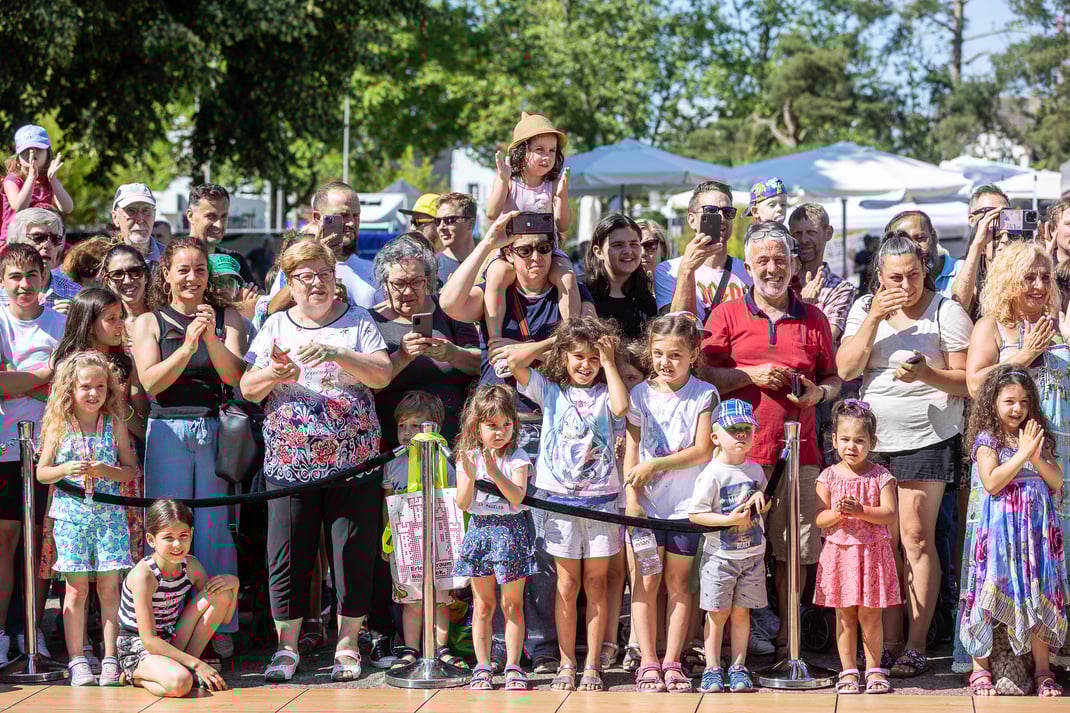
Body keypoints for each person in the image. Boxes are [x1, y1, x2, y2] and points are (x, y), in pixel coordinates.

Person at [440, 210, 596, 675]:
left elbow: (582, 337)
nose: (534, 258)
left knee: (542, 543)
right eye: (523, 249)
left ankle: (543, 647)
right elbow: (449, 303)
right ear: (510, 253)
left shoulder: (571, 290)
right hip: (495, 424)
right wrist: (487, 243)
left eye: (543, 249)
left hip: (545, 426)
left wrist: (529, 349)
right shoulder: (498, 288)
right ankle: (493, 655)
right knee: (492, 537)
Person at [240, 238, 391, 683]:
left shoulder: (359, 322)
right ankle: (286, 646)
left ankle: (347, 643)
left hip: (353, 462)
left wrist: (340, 353)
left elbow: (381, 375)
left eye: (324, 274)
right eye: (306, 277)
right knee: (287, 553)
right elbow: (249, 388)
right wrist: (275, 373)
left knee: (351, 552)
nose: (317, 284)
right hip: (290, 464)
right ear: (291, 282)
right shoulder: (275, 325)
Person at [701, 221, 841, 658]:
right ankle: (731, 646)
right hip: (738, 458)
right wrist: (750, 375)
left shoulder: (813, 317)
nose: (772, 268)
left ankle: (788, 642)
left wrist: (819, 393)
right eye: (762, 260)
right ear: (749, 266)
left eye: (780, 259)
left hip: (800, 453)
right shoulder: (726, 314)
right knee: (733, 549)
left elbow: (834, 378)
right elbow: (703, 374)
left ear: (794, 264)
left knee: (794, 552)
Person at [836, 233, 972, 678]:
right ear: (879, 276)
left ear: (925, 269)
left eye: (914, 274)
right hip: (872, 444)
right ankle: (886, 645)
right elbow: (846, 369)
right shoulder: (864, 308)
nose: (906, 285)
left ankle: (916, 644)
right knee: (880, 542)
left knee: (915, 538)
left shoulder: (945, 310)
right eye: (895, 277)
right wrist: (874, 318)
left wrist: (927, 373)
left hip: (926, 437)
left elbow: (967, 381)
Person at [958, 241, 1070, 676]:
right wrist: (1022, 357)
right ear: (1008, 279)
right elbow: (973, 384)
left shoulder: (1059, 324)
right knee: (1004, 555)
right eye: (1029, 277)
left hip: (1055, 451)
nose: (1040, 285)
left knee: (1050, 553)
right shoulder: (993, 326)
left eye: (1044, 277)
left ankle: (1051, 655)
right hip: (1006, 457)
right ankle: (999, 657)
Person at [132, 237, 246, 659]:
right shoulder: (148, 321)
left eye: (200, 270)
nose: (192, 278)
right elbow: (151, 382)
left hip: (214, 428)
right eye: (183, 269)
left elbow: (235, 377)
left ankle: (219, 620)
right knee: (168, 528)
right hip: (166, 428)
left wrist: (211, 337)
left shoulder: (227, 316)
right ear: (167, 274)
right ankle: (162, 623)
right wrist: (186, 346)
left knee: (215, 528)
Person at [508, 316, 627, 692]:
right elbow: (515, 363)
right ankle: (565, 661)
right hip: (559, 503)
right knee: (566, 584)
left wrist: (609, 362)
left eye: (592, 357)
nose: (585, 364)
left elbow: (622, 409)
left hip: (601, 501)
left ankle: (592, 664)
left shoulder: (609, 391)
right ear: (565, 357)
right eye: (578, 356)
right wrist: (554, 340)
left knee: (596, 582)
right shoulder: (551, 391)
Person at [960, 366, 1068, 698]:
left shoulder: (1037, 436)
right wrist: (1022, 454)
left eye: (1023, 401)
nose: (1016, 408)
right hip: (1000, 536)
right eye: (1008, 401)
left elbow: (1057, 481)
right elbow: (992, 482)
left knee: (1037, 598)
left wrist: (1035, 456)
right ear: (992, 402)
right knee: (988, 596)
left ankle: (1042, 670)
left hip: (1035, 534)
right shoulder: (987, 440)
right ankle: (980, 669)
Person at [623, 312, 718, 693]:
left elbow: (701, 450)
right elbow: (631, 449)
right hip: (646, 509)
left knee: (680, 584)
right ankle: (647, 660)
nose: (666, 362)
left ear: (694, 354)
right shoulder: (639, 395)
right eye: (659, 353)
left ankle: (673, 660)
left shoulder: (704, 394)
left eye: (676, 355)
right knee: (645, 582)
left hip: (685, 508)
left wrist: (656, 463)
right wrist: (631, 497)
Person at [35, 351, 138, 686]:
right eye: (85, 387)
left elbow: (129, 471)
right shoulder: (60, 425)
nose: (93, 393)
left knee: (110, 588)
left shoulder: (115, 423)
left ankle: (111, 657)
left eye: (100, 387)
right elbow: (42, 472)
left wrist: (107, 470)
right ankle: (77, 658)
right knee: (75, 590)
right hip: (70, 517)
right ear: (71, 389)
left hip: (110, 516)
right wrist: (66, 469)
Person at [0, 243, 66, 665]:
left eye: (31, 276)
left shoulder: (61, 323)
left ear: (44, 278)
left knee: (43, 543)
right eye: (14, 277)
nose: (24, 285)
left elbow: (71, 384)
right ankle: (2, 632)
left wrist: (15, 379)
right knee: (6, 541)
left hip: (52, 446)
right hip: (5, 445)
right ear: (3, 281)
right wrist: (43, 375)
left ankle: (32, 629)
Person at [453, 384, 538, 691]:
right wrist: (474, 471)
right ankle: (483, 665)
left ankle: (514, 665)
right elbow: (463, 503)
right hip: (479, 530)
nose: (499, 432)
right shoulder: (469, 455)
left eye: (506, 425)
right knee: (483, 604)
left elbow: (517, 498)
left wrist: (494, 471)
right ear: (477, 426)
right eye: (492, 426)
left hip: (511, 532)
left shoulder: (517, 456)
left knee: (512, 605)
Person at [814, 399, 900, 695]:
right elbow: (820, 519)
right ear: (834, 439)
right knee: (844, 615)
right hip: (840, 555)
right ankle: (848, 671)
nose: (852, 446)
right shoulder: (827, 476)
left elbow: (889, 514)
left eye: (860, 440)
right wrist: (838, 512)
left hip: (871, 554)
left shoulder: (881, 476)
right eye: (846, 439)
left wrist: (861, 509)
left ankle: (874, 669)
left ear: (872, 442)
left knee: (870, 615)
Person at [687, 399, 770, 694]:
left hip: (752, 556)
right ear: (715, 437)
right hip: (720, 557)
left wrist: (762, 501)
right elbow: (696, 514)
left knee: (741, 613)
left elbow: (761, 502)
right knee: (716, 613)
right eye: (733, 430)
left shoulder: (756, 470)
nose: (740, 435)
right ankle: (712, 668)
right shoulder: (711, 473)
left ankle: (738, 666)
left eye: (746, 429)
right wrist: (727, 519)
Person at [116, 499, 237, 697]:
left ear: (192, 534)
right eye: (168, 538)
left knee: (221, 592)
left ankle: (185, 669)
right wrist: (197, 664)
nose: (177, 544)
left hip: (170, 637)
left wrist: (234, 584)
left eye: (183, 536)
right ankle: (134, 675)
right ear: (151, 540)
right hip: (139, 647)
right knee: (181, 683)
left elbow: (223, 617)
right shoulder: (144, 576)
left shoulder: (191, 566)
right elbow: (149, 639)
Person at [370, 233, 480, 449]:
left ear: (428, 281)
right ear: (385, 284)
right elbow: (366, 386)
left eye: (416, 282)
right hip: (393, 452)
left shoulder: (449, 310)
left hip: (453, 445)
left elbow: (481, 364)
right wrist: (401, 358)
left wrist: (452, 354)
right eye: (399, 283)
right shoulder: (370, 321)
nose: (408, 291)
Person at [484, 113, 578, 346]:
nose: (547, 157)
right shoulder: (510, 180)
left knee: (566, 276)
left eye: (552, 151)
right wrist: (503, 180)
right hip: (509, 252)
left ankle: (571, 337)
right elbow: (491, 213)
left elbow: (563, 224)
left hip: (546, 252)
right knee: (496, 276)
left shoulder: (553, 183)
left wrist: (562, 196)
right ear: (521, 152)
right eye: (540, 150)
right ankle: (495, 339)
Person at [381, 391, 458, 669]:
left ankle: (441, 648)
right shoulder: (391, 463)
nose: (406, 432)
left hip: (440, 539)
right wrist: (385, 538)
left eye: (415, 425)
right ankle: (411, 649)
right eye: (402, 425)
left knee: (440, 599)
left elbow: (454, 499)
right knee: (410, 599)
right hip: (404, 539)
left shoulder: (445, 460)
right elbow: (387, 502)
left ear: (433, 427)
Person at [267, 182, 378, 310]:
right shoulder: (296, 266)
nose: (351, 223)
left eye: (356, 215)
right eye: (343, 215)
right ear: (317, 217)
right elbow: (271, 311)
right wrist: (311, 259)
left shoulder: (372, 271)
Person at [655, 181, 751, 322]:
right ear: (692, 220)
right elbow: (676, 329)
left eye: (727, 212)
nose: (721, 217)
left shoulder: (748, 271)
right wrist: (686, 271)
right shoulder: (668, 271)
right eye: (711, 211)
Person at [789, 203, 856, 343]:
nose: (804, 240)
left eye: (811, 232)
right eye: (797, 234)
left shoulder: (841, 289)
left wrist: (807, 307)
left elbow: (825, 339)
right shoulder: (782, 281)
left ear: (828, 233)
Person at [583, 214, 657, 339]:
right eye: (618, 245)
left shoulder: (646, 301)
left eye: (634, 244)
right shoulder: (583, 294)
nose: (628, 251)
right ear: (598, 251)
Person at [2, 125, 73, 243]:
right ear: (18, 157)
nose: (32, 153)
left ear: (48, 154)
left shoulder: (49, 180)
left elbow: (67, 208)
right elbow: (19, 208)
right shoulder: (12, 179)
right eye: (26, 150)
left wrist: (54, 181)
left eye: (39, 149)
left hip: (42, 240)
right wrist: (31, 177)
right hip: (13, 242)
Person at [951, 185, 1012, 316]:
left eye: (1005, 213)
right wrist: (978, 244)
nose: (998, 218)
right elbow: (959, 304)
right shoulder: (959, 267)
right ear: (972, 220)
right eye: (990, 212)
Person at [5, 207, 81, 313]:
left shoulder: (77, 295)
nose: (48, 245)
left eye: (55, 239)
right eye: (38, 237)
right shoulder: (2, 296)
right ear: (15, 241)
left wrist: (74, 322)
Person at [884, 210, 960, 297]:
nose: (914, 247)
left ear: (934, 237)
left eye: (920, 238)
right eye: (905, 242)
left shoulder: (963, 270)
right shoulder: (890, 286)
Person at [99, 244, 151, 351]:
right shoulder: (100, 323)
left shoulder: (164, 316)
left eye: (135, 271)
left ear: (145, 275)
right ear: (108, 281)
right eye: (117, 274)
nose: (127, 280)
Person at [112, 184, 164, 265]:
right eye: (131, 211)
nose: (140, 220)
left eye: (146, 210)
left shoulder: (171, 258)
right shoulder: (103, 261)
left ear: (154, 216)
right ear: (115, 217)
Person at [434, 192, 478, 286]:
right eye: (437, 221)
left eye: (450, 220)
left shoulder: (487, 263)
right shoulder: (433, 267)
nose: (441, 227)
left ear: (470, 223)